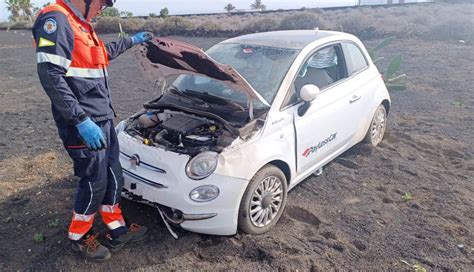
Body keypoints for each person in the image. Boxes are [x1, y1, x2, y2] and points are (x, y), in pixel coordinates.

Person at [32, 0, 153, 262]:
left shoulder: (82, 26)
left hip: (103, 117)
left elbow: (100, 56)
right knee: (94, 181)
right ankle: (79, 236)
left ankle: (117, 228)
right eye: (103, 3)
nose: (104, 8)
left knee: (113, 175)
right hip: (83, 122)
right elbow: (50, 75)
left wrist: (131, 41)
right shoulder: (56, 20)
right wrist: (80, 120)